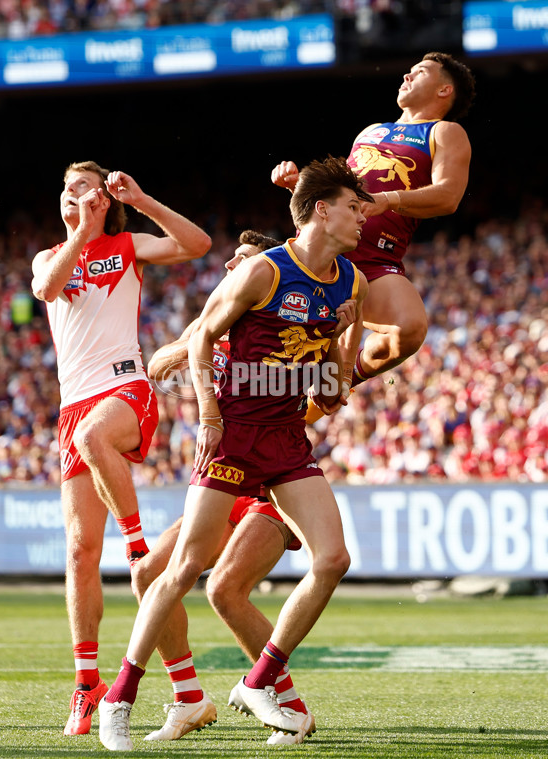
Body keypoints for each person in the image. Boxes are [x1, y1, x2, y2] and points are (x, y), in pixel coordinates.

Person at [97, 155, 370, 750]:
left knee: (333, 560)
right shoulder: (265, 272)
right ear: (322, 210)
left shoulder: (353, 282)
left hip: (286, 442)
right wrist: (210, 415)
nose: (363, 216)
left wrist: (344, 336)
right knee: (180, 570)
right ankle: (119, 698)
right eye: (355, 206)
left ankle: (260, 681)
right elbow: (196, 341)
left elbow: (333, 390)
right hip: (234, 436)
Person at [30, 160, 211, 737]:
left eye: (81, 187)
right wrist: (80, 231)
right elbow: (46, 287)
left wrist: (143, 198)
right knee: (80, 553)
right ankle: (87, 685)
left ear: (104, 199)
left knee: (93, 438)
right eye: (65, 188)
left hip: (125, 389)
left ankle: (135, 547)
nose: (70, 194)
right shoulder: (51, 253)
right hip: (73, 403)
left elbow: (197, 243)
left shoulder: (125, 245)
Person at [133, 230, 312, 745]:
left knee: (225, 590)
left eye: (245, 258)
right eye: (231, 259)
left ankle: (293, 707)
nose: (232, 262)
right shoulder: (217, 321)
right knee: (149, 574)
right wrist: (205, 333)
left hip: (273, 484)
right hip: (223, 481)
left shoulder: (281, 327)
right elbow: (159, 366)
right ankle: (190, 699)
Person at [272, 52, 475, 389]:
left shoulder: (444, 132)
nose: (407, 76)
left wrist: (388, 200)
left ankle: (337, 383)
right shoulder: (371, 131)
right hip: (320, 248)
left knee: (408, 329)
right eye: (408, 71)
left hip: (374, 260)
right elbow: (339, 194)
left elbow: (448, 196)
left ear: (444, 90)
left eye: (420, 72)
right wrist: (299, 186)